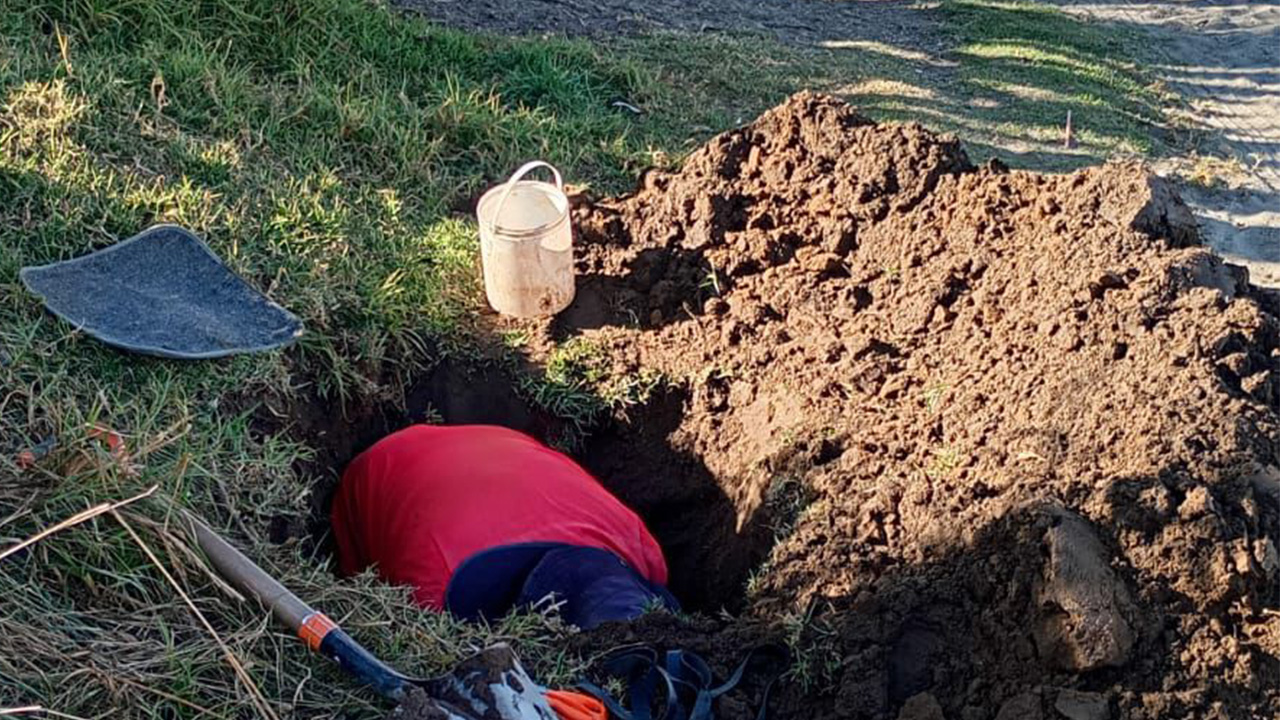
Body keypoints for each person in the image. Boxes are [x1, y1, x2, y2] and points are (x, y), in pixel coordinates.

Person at [330, 424, 678, 629]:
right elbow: (376, 618)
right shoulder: (434, 596)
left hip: (501, 441)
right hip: (379, 467)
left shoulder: (635, 543)